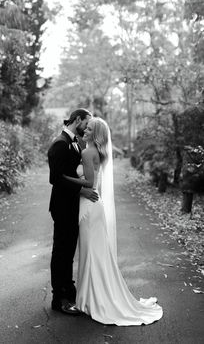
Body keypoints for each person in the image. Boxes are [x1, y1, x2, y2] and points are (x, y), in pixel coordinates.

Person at [63, 117, 163, 325]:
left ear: (97, 134)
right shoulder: (96, 151)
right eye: (86, 128)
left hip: (89, 208)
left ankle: (94, 300)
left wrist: (65, 179)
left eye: (90, 129)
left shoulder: (87, 152)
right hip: (93, 206)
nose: (85, 131)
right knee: (95, 253)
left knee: (92, 254)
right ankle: (92, 298)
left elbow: (89, 183)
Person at [47, 108, 98, 315]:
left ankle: (69, 291)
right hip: (62, 207)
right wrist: (81, 189)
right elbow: (55, 178)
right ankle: (59, 299)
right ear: (77, 120)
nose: (87, 128)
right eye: (86, 123)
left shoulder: (75, 142)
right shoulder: (60, 144)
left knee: (68, 253)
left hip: (72, 205)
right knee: (61, 253)